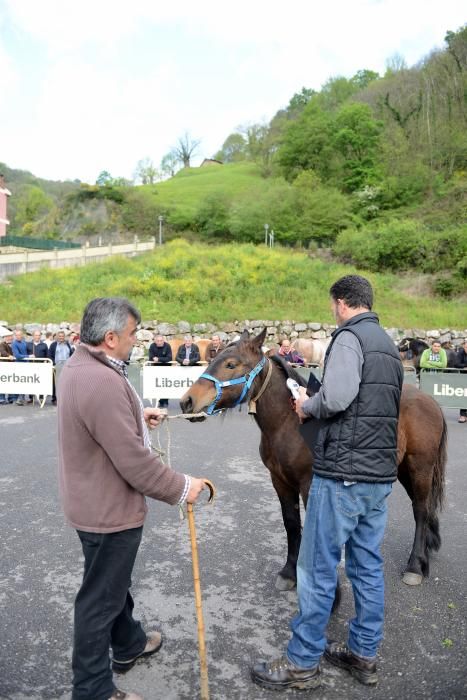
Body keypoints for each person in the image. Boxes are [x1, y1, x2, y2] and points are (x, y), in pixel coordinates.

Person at [251, 274, 404, 691]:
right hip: (377, 476)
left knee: (316, 569)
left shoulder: (348, 338)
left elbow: (335, 398)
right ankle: (362, 654)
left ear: (340, 303)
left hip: (342, 475)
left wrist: (305, 404)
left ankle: (301, 664)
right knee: (367, 568)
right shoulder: (388, 346)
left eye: (332, 305)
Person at [57, 297, 206, 700]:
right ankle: (92, 691)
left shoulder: (80, 364)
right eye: (132, 334)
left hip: (89, 501)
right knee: (99, 600)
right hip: (107, 510)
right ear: (109, 338)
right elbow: (135, 464)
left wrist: (137, 416)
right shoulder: (102, 381)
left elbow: (99, 424)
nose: (136, 340)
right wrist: (181, 487)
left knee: (109, 582)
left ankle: (128, 644)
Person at [48, 330, 74, 403]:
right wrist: (53, 363)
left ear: (64, 337)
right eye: (60, 336)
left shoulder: (67, 344)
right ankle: (55, 398)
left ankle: (65, 399)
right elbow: (49, 355)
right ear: (57, 337)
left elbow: (71, 354)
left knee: (66, 383)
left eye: (62, 336)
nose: (61, 337)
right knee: (56, 383)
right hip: (57, 366)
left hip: (67, 366)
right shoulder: (53, 345)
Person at [148, 334, 172, 408]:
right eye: (158, 341)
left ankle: (165, 401)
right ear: (155, 341)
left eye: (161, 341)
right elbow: (150, 357)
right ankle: (160, 401)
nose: (159, 342)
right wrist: (154, 359)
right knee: (158, 386)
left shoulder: (167, 346)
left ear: (163, 340)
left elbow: (169, 358)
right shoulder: (152, 346)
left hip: (166, 369)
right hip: (156, 369)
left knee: (165, 386)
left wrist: (158, 359)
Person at [11, 329, 30, 405]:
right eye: (17, 335)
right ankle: (19, 398)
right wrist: (28, 356)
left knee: (25, 381)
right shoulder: (14, 344)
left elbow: (26, 351)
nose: (18, 336)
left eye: (20, 335)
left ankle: (23, 397)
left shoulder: (24, 342)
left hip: (26, 365)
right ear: (15, 336)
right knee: (20, 382)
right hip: (19, 365)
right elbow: (17, 356)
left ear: (22, 335)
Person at [0, 328, 14, 404]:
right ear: (4, 337)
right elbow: (3, 352)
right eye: (8, 336)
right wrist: (9, 356)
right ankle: (1, 398)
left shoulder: (14, 343)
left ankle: (11, 397)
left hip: (12, 366)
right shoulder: (2, 344)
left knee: (11, 382)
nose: (10, 337)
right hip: (4, 366)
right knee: (2, 382)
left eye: (10, 336)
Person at [456, 339, 467, 423]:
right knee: (464, 395)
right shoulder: (461, 353)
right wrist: (465, 366)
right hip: (464, 378)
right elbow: (456, 364)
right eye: (466, 347)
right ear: (464, 347)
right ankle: (463, 415)